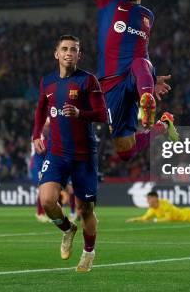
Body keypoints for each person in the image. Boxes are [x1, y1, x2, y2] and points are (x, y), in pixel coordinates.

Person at [77, 0, 179, 163]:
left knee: (141, 61)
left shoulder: (148, 15)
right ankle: (163, 125)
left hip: (135, 76)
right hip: (111, 85)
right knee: (125, 151)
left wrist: (149, 83)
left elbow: (140, 53)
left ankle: (147, 101)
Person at [32, 35, 108, 272]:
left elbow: (103, 114)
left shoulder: (88, 81)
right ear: (56, 54)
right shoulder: (48, 82)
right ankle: (67, 229)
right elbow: (40, 110)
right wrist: (37, 135)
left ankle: (88, 252)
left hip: (84, 155)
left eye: (73, 49)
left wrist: (80, 113)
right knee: (46, 200)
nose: (68, 53)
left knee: (86, 209)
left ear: (78, 55)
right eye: (64, 49)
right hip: (57, 152)